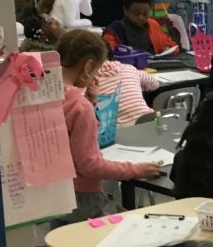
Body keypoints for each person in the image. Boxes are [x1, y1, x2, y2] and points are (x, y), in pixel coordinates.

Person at [54, 29, 161, 226]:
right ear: (88, 67)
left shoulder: (47, 95)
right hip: (82, 198)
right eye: (96, 71)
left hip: (53, 194)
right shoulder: (79, 106)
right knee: (135, 225)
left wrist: (89, 100)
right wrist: (138, 170)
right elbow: (90, 165)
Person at [89, 42, 161, 127]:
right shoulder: (129, 68)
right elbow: (155, 84)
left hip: (121, 131)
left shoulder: (88, 81)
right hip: (150, 121)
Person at [103, 0, 178, 55]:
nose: (141, 18)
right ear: (125, 10)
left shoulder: (152, 25)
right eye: (136, 14)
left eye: (145, 14)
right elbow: (111, 54)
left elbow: (169, 44)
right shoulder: (115, 30)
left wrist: (167, 48)